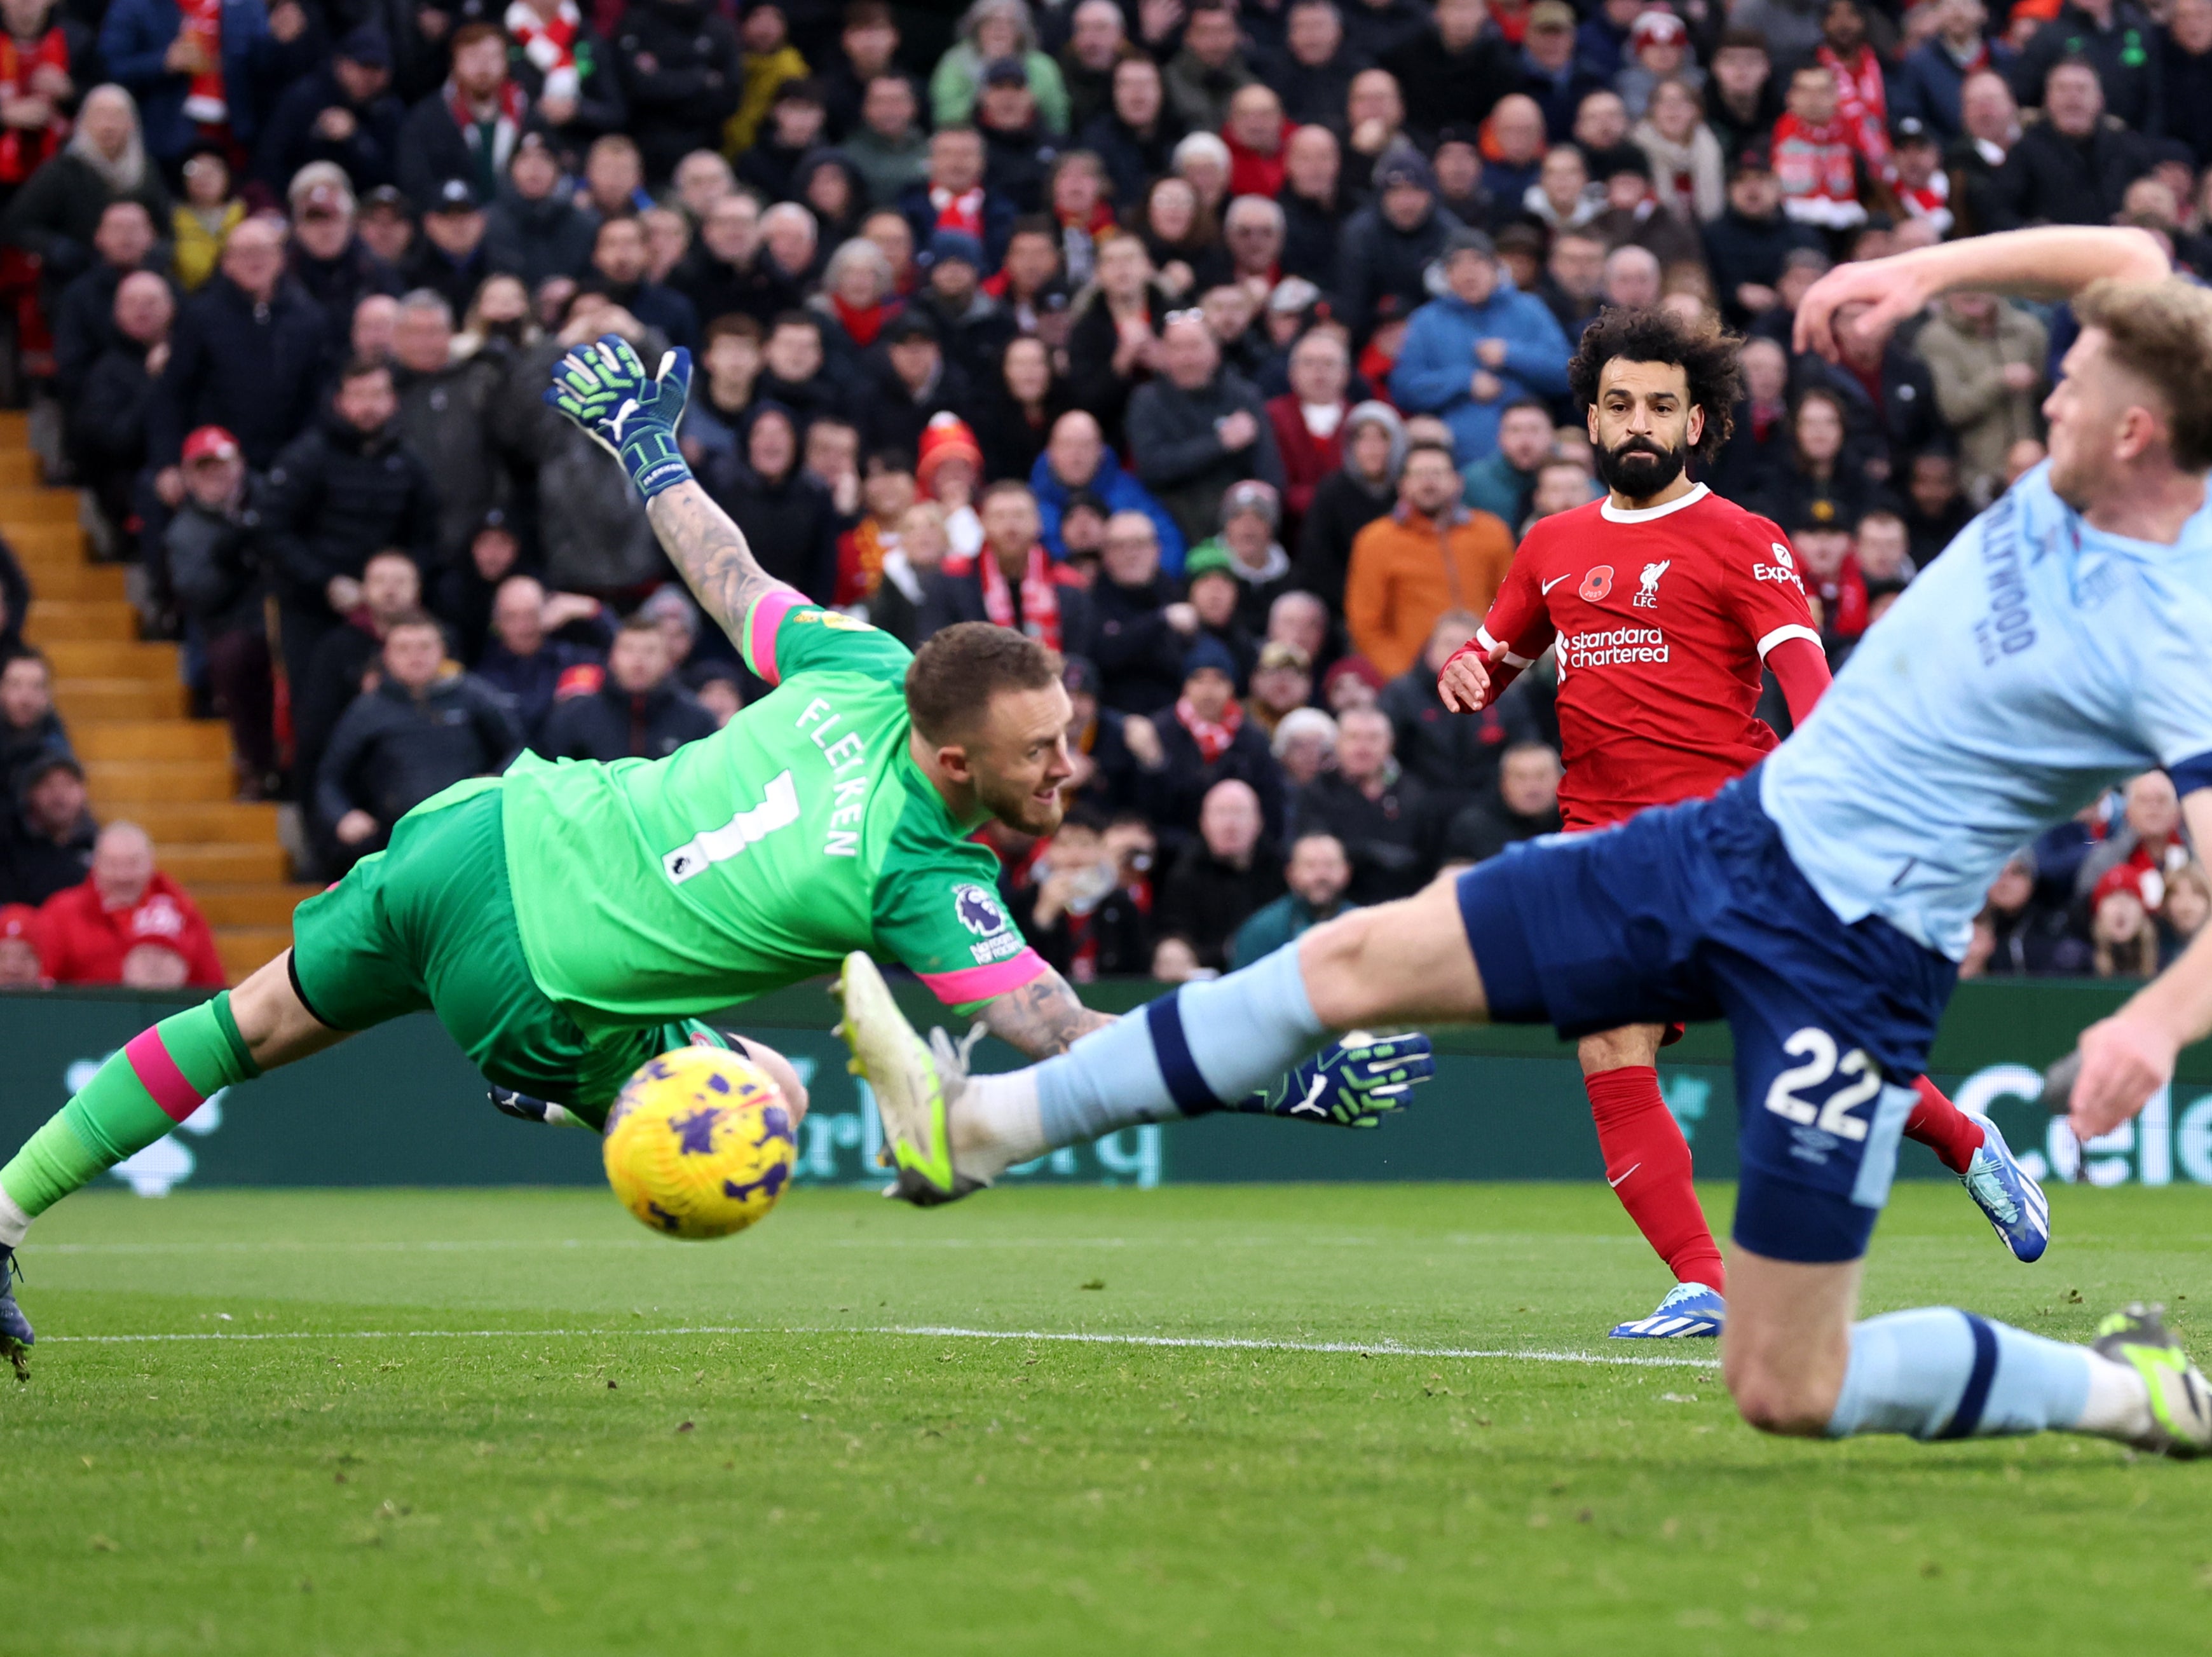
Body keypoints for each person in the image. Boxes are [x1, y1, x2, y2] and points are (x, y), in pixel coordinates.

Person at [843, 228, 2212, 1468]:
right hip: (1716, 841)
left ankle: (2121, 1391)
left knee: (1791, 1381)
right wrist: (1925, 276)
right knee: (1358, 952)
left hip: (1855, 947)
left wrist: (2153, 1020)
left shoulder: (2175, 635)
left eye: (2074, 387)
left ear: (2139, 431)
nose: (2047, 398)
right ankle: (980, 1127)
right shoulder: (2080, 467)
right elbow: (2130, 248)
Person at [0, 332, 1433, 1363]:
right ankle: (559, 1093)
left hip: (495, 821)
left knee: (246, 1020)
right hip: (547, 977)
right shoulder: (925, 875)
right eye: (1039, 751)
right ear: (953, 763)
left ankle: (4, 1206)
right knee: (744, 1104)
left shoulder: (864, 662)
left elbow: (729, 571)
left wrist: (645, 445)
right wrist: (1281, 1082)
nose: (1069, 765)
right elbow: (1065, 1037)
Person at [1437, 302, 2028, 1337]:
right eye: (1618, 402)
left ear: (1698, 422)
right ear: (1587, 418)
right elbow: (1496, 657)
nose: (1637, 422)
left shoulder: (1741, 539)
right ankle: (1705, 1281)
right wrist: (1469, 672)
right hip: (1601, 850)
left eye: (1661, 406)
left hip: (1731, 840)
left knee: (1824, 1052)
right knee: (1610, 1053)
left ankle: (1968, 1141)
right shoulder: (1550, 546)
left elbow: (1805, 677)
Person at [164, 425, 276, 797]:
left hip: (286, 617)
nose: (216, 475)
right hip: (232, 626)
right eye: (204, 467)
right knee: (233, 661)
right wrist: (234, 560)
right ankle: (257, 766)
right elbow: (199, 594)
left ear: (240, 465)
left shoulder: (271, 500)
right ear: (188, 475)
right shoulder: (184, 531)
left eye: (223, 464)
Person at [1344, 441, 1513, 679]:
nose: (1429, 482)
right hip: (1413, 682)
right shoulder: (1375, 540)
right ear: (1402, 485)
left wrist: (1499, 665)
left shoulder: (1492, 532)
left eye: (1438, 473)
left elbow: (1511, 608)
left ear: (1457, 482)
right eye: (1419, 474)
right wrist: (1404, 678)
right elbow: (1365, 625)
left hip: (1488, 674)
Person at [1124, 311, 1283, 549]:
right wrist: (1220, 444)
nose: (1187, 358)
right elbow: (1153, 467)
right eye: (1177, 348)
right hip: (1171, 525)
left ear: (1215, 351)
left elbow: (1270, 475)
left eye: (1195, 346)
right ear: (1164, 354)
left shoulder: (1244, 397)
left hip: (1237, 525)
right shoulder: (1147, 402)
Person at [32, 822, 224, 989]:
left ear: (151, 863)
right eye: (113, 864)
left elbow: (210, 985)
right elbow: (42, 985)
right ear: (96, 864)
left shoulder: (182, 912)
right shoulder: (61, 914)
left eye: (133, 863)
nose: (123, 875)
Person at [1291, 704, 1434, 903]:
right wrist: (1372, 853)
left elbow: (1428, 859)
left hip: (1401, 903)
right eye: (1354, 738)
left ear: (1391, 744)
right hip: (1336, 907)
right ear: (1337, 743)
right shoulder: (1317, 792)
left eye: (1373, 738)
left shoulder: (1415, 793)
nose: (1363, 748)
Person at [536, 613, 717, 762]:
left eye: (650, 651)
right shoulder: (574, 717)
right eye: (628, 649)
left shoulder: (697, 720)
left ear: (668, 660)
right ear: (612, 658)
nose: (638, 661)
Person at [1152, 777, 1283, 967]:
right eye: (1221, 813)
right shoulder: (1184, 874)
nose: (1230, 825)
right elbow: (1176, 933)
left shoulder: (1281, 872)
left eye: (1239, 813)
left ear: (1259, 822)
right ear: (1203, 823)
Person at [1229, 829, 1355, 968]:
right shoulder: (1261, 932)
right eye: (1310, 866)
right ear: (1291, 874)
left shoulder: (1363, 926)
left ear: (1346, 872)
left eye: (1330, 865)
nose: (1321, 875)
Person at [0, 749, 94, 906]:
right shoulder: (8, 848)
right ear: (30, 794)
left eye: (68, 784)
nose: (59, 795)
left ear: (83, 792)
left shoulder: (100, 847)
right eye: (48, 785)